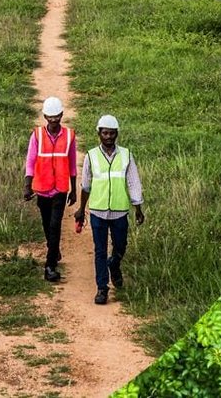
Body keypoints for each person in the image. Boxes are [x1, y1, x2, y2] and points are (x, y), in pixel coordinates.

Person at [75, 114, 144, 305]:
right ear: (99, 134)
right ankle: (102, 288)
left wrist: (138, 208)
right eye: (105, 133)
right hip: (98, 210)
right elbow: (86, 186)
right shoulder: (91, 156)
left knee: (121, 246)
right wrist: (81, 209)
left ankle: (114, 264)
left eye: (112, 133)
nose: (108, 137)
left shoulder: (126, 155)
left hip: (120, 210)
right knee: (100, 250)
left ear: (117, 134)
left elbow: (133, 183)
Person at [25, 96, 78, 282]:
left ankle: (50, 266)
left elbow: (72, 164)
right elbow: (30, 161)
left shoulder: (70, 136)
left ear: (62, 115)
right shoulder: (37, 135)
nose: (54, 120)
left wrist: (74, 189)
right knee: (47, 225)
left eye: (57, 116)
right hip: (42, 188)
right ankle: (53, 249)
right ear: (45, 116)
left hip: (60, 190)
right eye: (50, 117)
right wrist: (27, 186)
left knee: (55, 225)